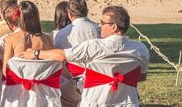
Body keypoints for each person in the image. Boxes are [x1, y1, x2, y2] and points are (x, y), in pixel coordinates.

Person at [21, 5, 149, 79]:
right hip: (127, 102)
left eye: (103, 23)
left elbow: (62, 55)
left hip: (95, 100)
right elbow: (141, 77)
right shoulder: (140, 49)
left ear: (114, 27)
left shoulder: (95, 46)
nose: (99, 25)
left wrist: (36, 53)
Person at [52, 0, 100, 107]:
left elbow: (59, 60)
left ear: (69, 14)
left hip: (79, 83)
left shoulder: (62, 34)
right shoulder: (99, 29)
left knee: (57, 95)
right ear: (87, 11)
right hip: (103, 81)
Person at [2, 1, 53, 72]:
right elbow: (52, 66)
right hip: (41, 82)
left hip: (19, 82)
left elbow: (5, 71)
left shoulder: (11, 39)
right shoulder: (46, 39)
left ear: (19, 18)